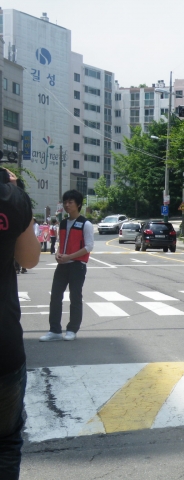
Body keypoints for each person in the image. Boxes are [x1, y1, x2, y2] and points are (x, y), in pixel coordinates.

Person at [0, 167, 40, 479]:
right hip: (4, 344)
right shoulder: (11, 198)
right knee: (5, 444)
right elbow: (29, 258)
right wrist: (16, 192)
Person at [40, 190, 94, 342]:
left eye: (70, 202)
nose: (67, 205)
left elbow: (89, 246)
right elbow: (61, 243)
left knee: (75, 297)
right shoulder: (63, 223)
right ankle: (54, 330)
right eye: (65, 202)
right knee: (55, 297)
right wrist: (58, 254)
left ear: (78, 205)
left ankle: (72, 329)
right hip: (62, 265)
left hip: (77, 265)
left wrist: (69, 256)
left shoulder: (86, 224)